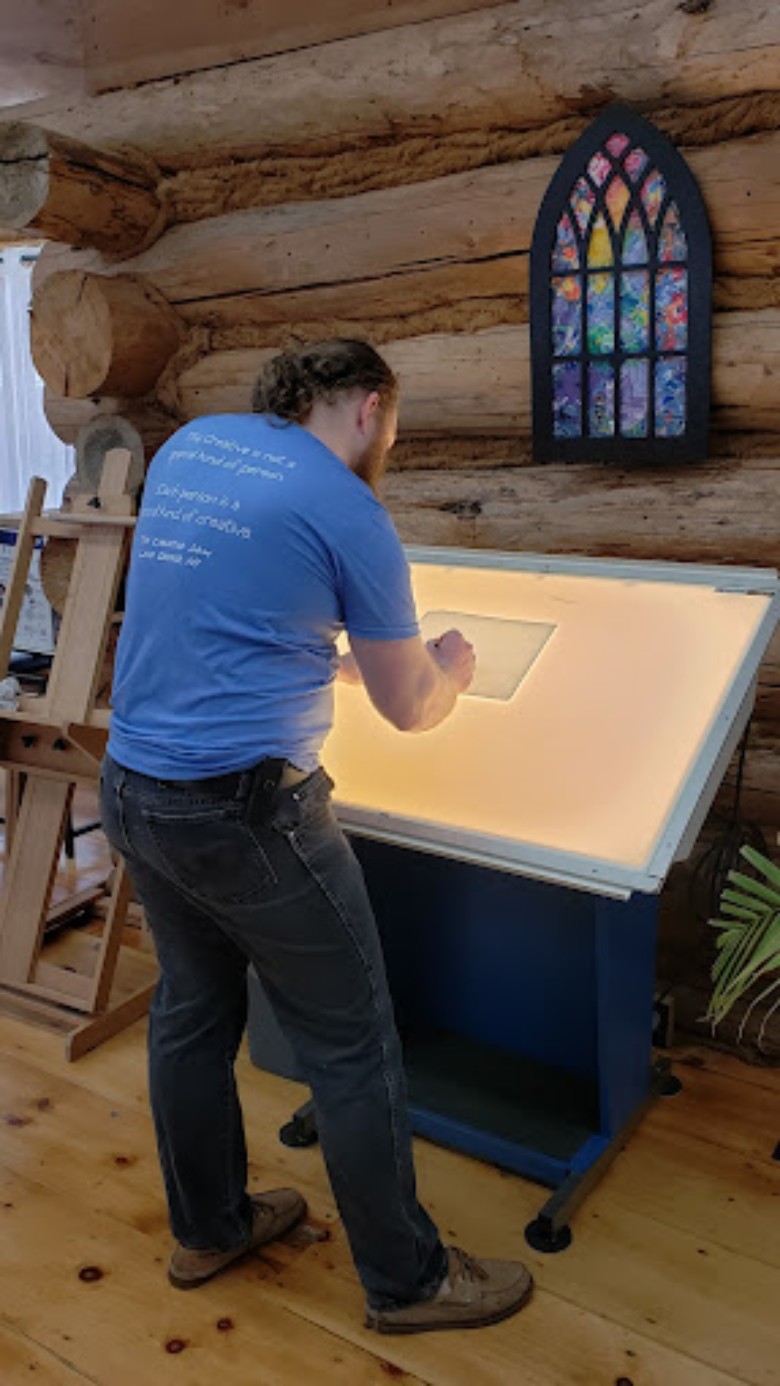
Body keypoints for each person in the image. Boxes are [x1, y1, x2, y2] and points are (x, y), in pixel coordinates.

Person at [100, 338, 534, 1334]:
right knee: (351, 1044)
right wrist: (452, 671)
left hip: (134, 787)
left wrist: (314, 651)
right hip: (247, 814)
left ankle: (208, 1227)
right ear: (373, 408)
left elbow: (224, 602)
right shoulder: (348, 508)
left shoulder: (193, 448)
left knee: (193, 1012)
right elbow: (409, 708)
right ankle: (409, 1280)